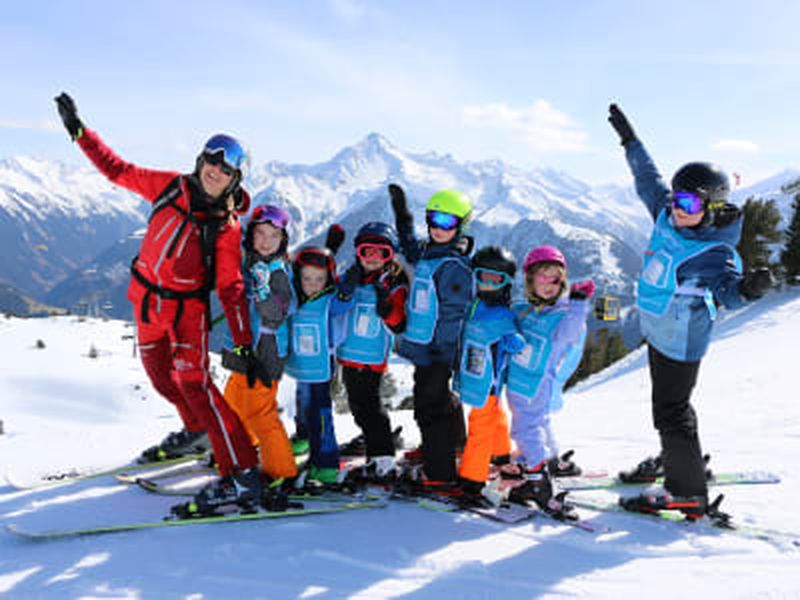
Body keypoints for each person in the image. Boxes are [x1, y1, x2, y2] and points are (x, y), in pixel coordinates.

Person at [54, 92, 266, 513]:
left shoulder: (225, 227)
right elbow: (118, 170)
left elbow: (231, 287)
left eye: (226, 169)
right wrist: (80, 133)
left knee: (196, 385)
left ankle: (242, 472)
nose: (216, 171)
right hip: (147, 304)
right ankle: (198, 432)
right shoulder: (170, 186)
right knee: (161, 379)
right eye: (212, 160)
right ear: (200, 160)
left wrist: (243, 341)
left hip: (188, 314)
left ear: (234, 178)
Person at [607, 103, 773, 519]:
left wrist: (749, 289)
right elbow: (648, 179)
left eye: (689, 202)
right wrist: (631, 141)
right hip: (659, 329)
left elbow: (730, 293)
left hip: (681, 341)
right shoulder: (668, 216)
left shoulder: (715, 252)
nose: (678, 208)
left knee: (670, 410)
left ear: (713, 207)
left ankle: (685, 490)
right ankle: (683, 459)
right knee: (674, 407)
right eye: (677, 198)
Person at [500, 245, 594, 518]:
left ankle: (538, 481)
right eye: (541, 277)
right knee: (537, 422)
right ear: (530, 280)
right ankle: (550, 459)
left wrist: (578, 303)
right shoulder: (527, 311)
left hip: (535, 384)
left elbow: (570, 334)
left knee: (525, 429)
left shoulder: (562, 314)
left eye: (554, 278)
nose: (548, 284)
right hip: (517, 383)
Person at [389, 184, 473, 487]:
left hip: (438, 352)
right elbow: (409, 244)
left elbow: (453, 316)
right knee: (440, 400)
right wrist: (402, 214)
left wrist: (442, 357)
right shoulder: (430, 254)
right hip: (425, 348)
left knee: (428, 408)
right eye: (434, 219)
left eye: (448, 222)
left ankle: (439, 473)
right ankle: (452, 446)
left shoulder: (454, 267)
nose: (438, 228)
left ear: (461, 225)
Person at [220, 204, 298, 482]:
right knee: (234, 402)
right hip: (245, 349)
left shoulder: (278, 272)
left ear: (282, 241)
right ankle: (245, 449)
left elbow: (276, 312)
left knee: (260, 413)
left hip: (266, 352)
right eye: (260, 234)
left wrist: (262, 288)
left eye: (273, 236)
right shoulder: (249, 264)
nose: (266, 241)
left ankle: (282, 472)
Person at [453, 247, 525, 506]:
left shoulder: (502, 314)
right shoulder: (475, 305)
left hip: (488, 380)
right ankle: (502, 456)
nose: (487, 284)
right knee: (495, 415)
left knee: (480, 426)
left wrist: (512, 339)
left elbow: (513, 339)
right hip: (478, 376)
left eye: (495, 280)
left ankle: (472, 480)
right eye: (483, 276)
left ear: (506, 283)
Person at [336, 222, 409, 480]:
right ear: (358, 253)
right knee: (358, 406)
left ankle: (383, 458)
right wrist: (343, 291)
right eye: (368, 252)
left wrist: (387, 305)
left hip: (371, 359)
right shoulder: (350, 278)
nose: (374, 259)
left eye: (382, 254)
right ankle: (375, 445)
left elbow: (398, 322)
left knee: (369, 408)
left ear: (391, 257)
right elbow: (334, 306)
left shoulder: (393, 284)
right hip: (348, 355)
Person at [285, 236, 352, 486]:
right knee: (303, 402)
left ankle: (326, 463)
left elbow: (344, 303)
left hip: (323, 366)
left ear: (329, 280)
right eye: (306, 279)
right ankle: (304, 437)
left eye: (319, 279)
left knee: (320, 412)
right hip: (303, 364)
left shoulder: (331, 301)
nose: (312, 285)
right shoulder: (296, 298)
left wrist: (346, 292)